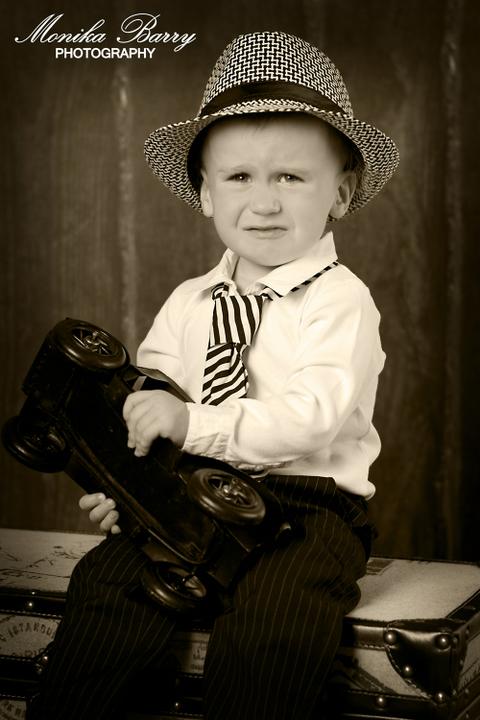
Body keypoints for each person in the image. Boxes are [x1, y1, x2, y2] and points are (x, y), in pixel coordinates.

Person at [28, 31, 399, 720]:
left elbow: (310, 418)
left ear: (341, 193)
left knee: (274, 624)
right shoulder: (189, 302)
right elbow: (146, 408)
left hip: (305, 507)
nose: (265, 203)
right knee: (107, 588)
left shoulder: (340, 301)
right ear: (204, 192)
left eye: (291, 178)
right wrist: (128, 486)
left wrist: (192, 422)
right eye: (239, 178)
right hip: (186, 495)